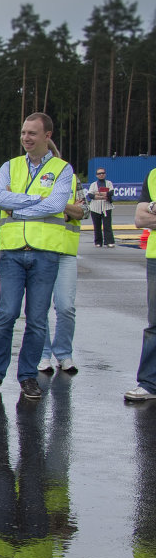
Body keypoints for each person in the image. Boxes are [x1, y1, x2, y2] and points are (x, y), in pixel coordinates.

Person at [0, 113, 74, 400]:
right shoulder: (10, 166)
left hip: (45, 253)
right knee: (6, 315)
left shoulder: (62, 169)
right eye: (23, 133)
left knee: (37, 319)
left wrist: (19, 205)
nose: (26, 138)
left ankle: (29, 376)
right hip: (13, 252)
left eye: (32, 133)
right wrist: (37, 201)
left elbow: (57, 204)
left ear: (47, 136)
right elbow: (0, 198)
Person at [39, 146, 87, 374]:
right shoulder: (32, 180)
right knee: (39, 307)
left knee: (66, 307)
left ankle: (64, 353)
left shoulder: (72, 180)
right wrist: (64, 208)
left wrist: (57, 205)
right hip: (39, 249)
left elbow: (83, 211)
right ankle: (43, 354)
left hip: (66, 251)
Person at [126, 166, 156, 401]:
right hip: (155, 258)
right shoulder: (154, 174)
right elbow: (140, 218)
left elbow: (149, 214)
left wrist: (153, 208)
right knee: (154, 324)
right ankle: (149, 383)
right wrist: (148, 211)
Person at [87, 167, 115, 248]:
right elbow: (90, 195)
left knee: (107, 225)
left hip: (106, 207)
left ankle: (109, 241)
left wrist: (99, 194)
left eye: (102, 173)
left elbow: (111, 192)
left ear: (105, 174)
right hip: (95, 208)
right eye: (99, 173)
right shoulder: (93, 184)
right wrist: (102, 195)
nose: (101, 175)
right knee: (97, 226)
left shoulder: (109, 183)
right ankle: (98, 242)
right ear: (96, 175)